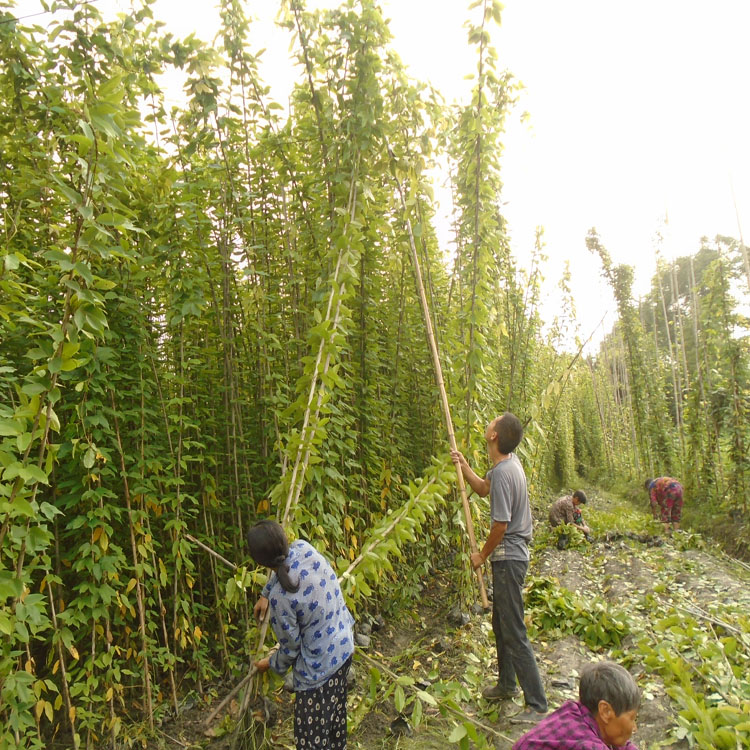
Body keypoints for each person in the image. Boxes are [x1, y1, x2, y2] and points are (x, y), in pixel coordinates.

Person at [451, 413, 548, 723]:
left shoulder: (506, 472)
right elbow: (481, 489)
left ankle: (537, 703)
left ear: (494, 436)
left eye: (492, 422)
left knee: (514, 629)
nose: (488, 423)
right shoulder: (505, 465)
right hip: (509, 558)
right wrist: (463, 465)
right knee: (501, 624)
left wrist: (481, 554)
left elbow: (500, 526)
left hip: (508, 558)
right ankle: (507, 684)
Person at [249, 520, 354, 750]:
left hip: (319, 671)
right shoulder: (303, 547)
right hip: (344, 647)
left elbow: (290, 648)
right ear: (285, 540)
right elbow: (285, 572)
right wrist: (265, 593)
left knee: (311, 742)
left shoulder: (281, 598)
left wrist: (271, 663)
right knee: (335, 728)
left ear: (260, 562)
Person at [512, 661, 640, 749]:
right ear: (605, 711)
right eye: (632, 718)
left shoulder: (575, 711)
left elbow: (624, 746)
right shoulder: (587, 745)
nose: (634, 728)